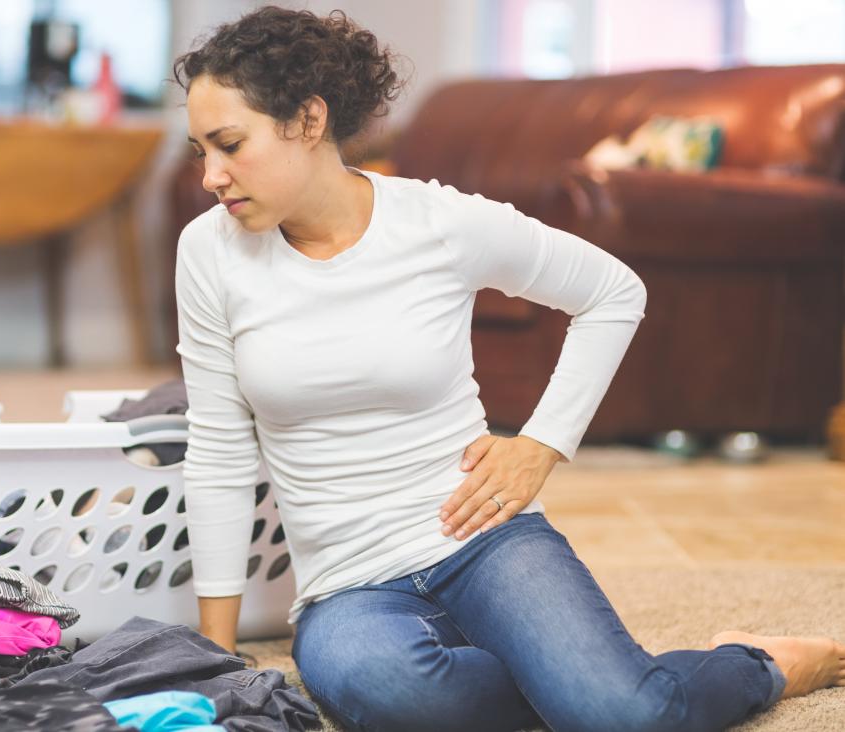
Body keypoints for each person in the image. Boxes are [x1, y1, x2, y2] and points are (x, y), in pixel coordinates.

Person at [170, 6, 845, 731]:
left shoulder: (437, 222)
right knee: (389, 692)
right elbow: (218, 450)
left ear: (307, 120)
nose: (210, 175)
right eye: (200, 149)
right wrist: (217, 652)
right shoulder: (209, 252)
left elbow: (613, 292)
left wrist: (541, 443)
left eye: (229, 144)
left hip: (485, 541)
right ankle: (580, 676)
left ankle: (756, 664)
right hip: (349, 587)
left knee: (625, 716)